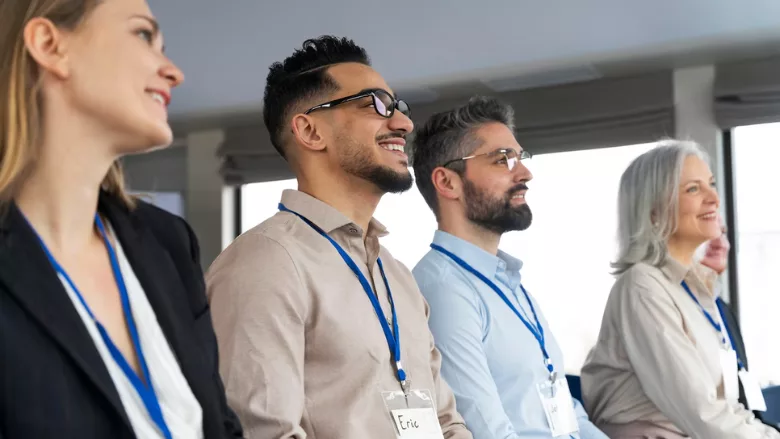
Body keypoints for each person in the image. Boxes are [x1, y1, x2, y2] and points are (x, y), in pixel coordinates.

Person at [206, 35, 473, 439]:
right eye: (374, 105)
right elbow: (265, 433)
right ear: (310, 131)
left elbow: (446, 422)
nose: (404, 123)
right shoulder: (265, 264)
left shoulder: (396, 275)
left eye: (398, 107)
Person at [0, 0, 244, 438]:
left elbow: (221, 424)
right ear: (50, 45)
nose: (174, 72)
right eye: (144, 35)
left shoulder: (169, 243)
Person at [410, 96, 607, 439]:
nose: (525, 173)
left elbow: (567, 412)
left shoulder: (509, 283)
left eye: (519, 157)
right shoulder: (443, 289)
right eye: (502, 160)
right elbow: (487, 430)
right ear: (447, 182)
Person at [580, 140, 780, 439]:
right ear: (653, 211)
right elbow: (701, 413)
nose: (714, 198)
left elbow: (727, 407)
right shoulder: (642, 286)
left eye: (711, 184)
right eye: (693, 189)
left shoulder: (695, 289)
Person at [697, 219, 779, 432]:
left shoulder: (723, 309)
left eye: (723, 233)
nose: (720, 243)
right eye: (709, 233)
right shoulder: (674, 307)